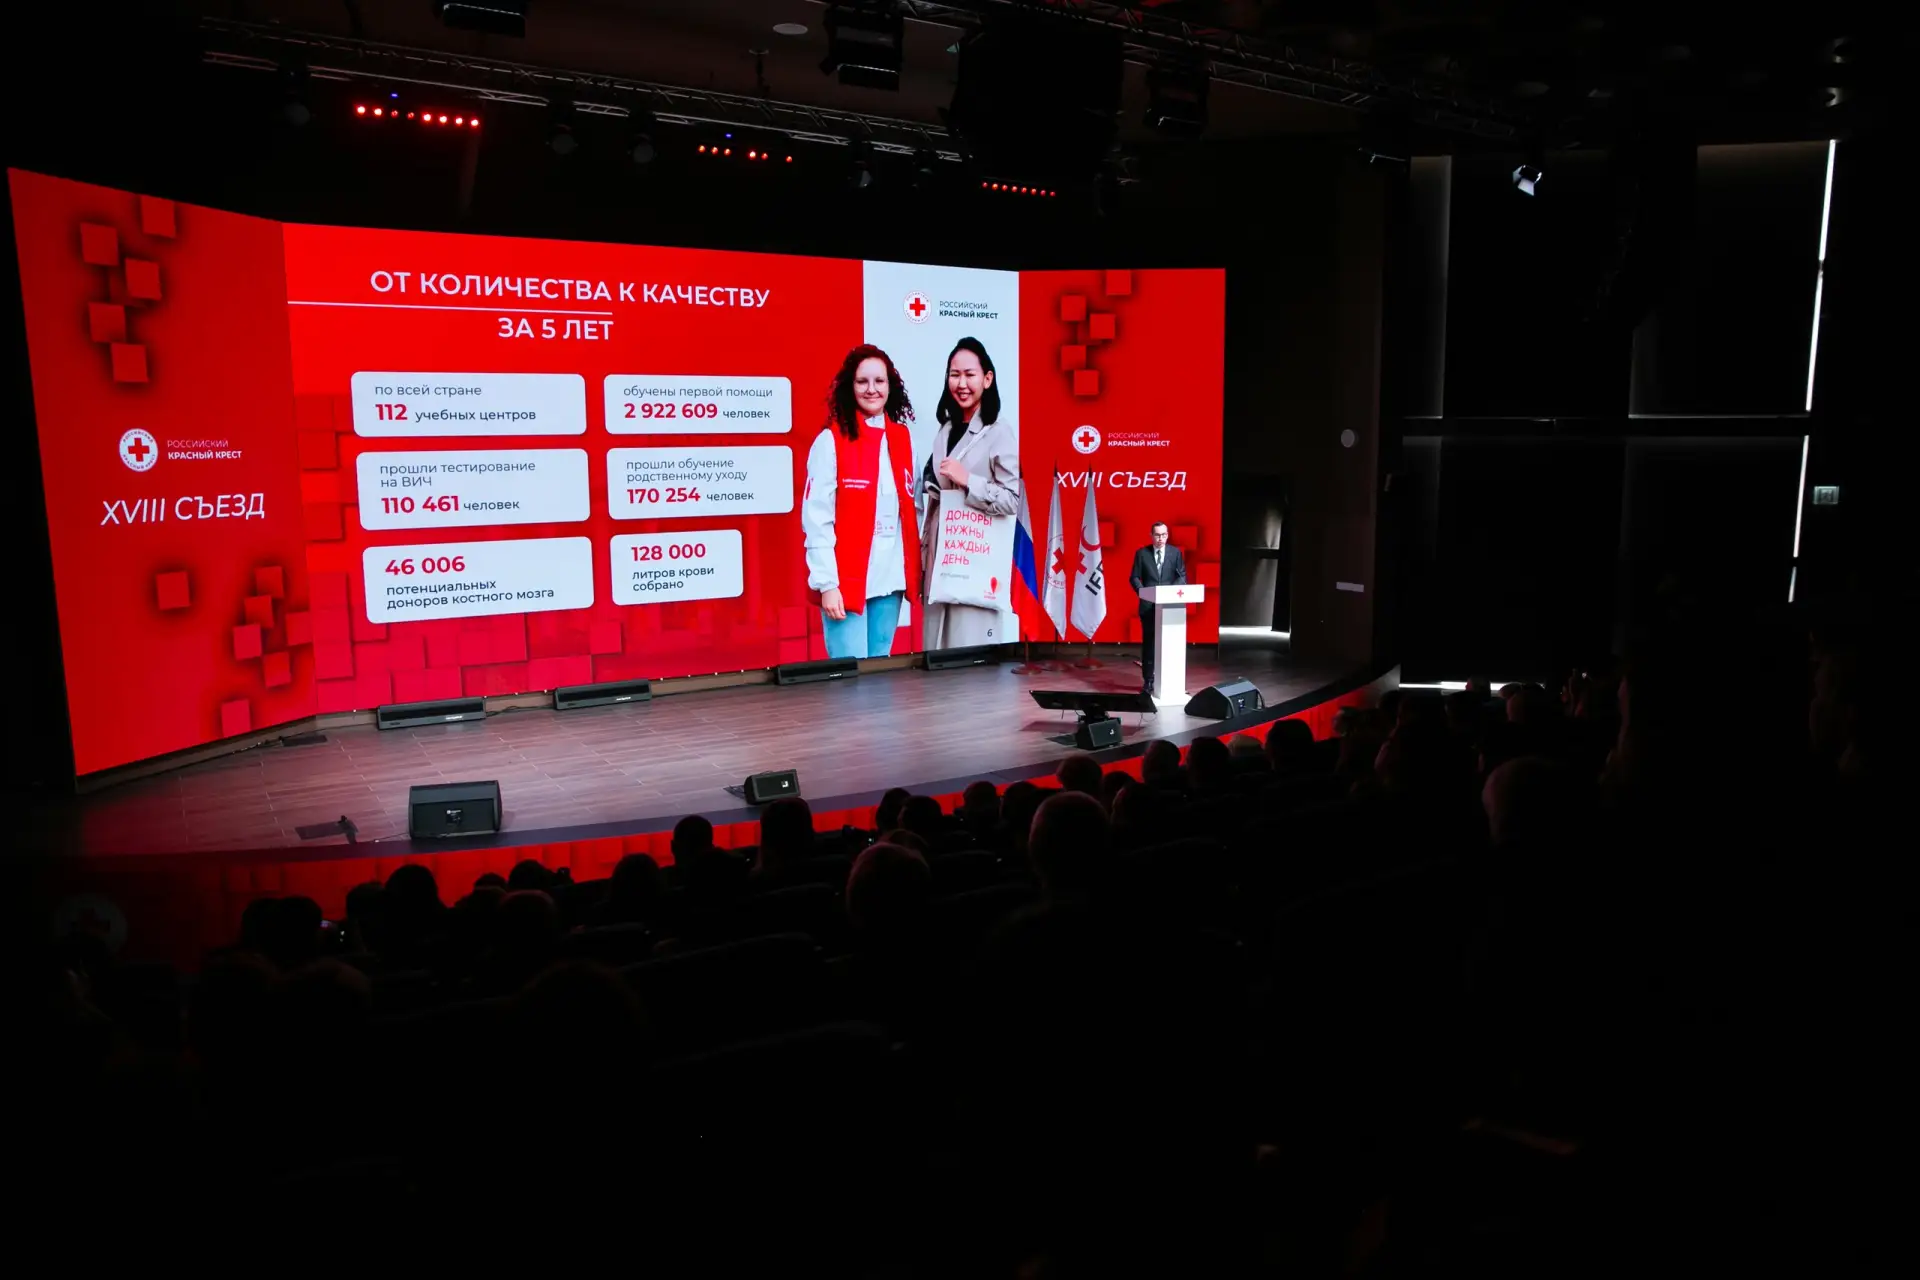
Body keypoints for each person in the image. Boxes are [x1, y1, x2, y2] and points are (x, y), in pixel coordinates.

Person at [803, 345, 923, 660]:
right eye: (862, 381)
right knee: (850, 677)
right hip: (846, 584)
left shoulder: (904, 440)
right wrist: (827, 584)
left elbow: (914, 511)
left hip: (890, 581)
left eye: (879, 381)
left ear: (890, 386)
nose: (871, 389)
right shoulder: (831, 441)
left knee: (879, 672)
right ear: (850, 386)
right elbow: (816, 519)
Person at [920, 337, 1020, 649]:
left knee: (969, 657)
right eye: (954, 375)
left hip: (975, 561)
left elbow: (1013, 499)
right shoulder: (945, 429)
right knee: (934, 653)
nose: (961, 384)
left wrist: (968, 481)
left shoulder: (999, 431)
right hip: (940, 561)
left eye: (969, 375)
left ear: (987, 379)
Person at [1128, 522, 1187, 694]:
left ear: (1167, 535)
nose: (1160, 538)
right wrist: (1143, 592)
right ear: (1151, 536)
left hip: (1168, 607)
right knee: (1150, 644)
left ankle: (1168, 679)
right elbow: (1134, 577)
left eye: (1163, 535)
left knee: (1168, 644)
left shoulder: (1175, 553)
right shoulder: (1142, 554)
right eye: (1157, 535)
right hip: (1148, 606)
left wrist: (1170, 592)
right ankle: (1148, 680)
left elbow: (1182, 576)